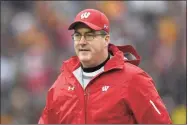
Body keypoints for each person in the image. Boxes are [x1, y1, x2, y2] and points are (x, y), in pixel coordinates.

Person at [38, 9, 172, 124]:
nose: (82, 42)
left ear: (106, 40)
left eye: (89, 35)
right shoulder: (61, 83)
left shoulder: (133, 79)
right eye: (78, 36)